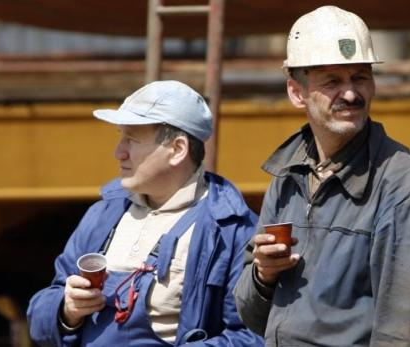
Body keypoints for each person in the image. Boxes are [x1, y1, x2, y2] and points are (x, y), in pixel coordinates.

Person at [234, 6, 410, 347]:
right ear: (297, 92)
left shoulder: (405, 187)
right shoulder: (287, 176)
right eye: (333, 81)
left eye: (360, 78)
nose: (351, 94)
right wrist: (263, 277)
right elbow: (253, 316)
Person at [27, 80, 264, 347]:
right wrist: (66, 310)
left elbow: (251, 336)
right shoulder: (103, 214)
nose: (118, 152)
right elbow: (40, 315)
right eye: (120, 136)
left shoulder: (233, 231)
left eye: (132, 139)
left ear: (177, 149)